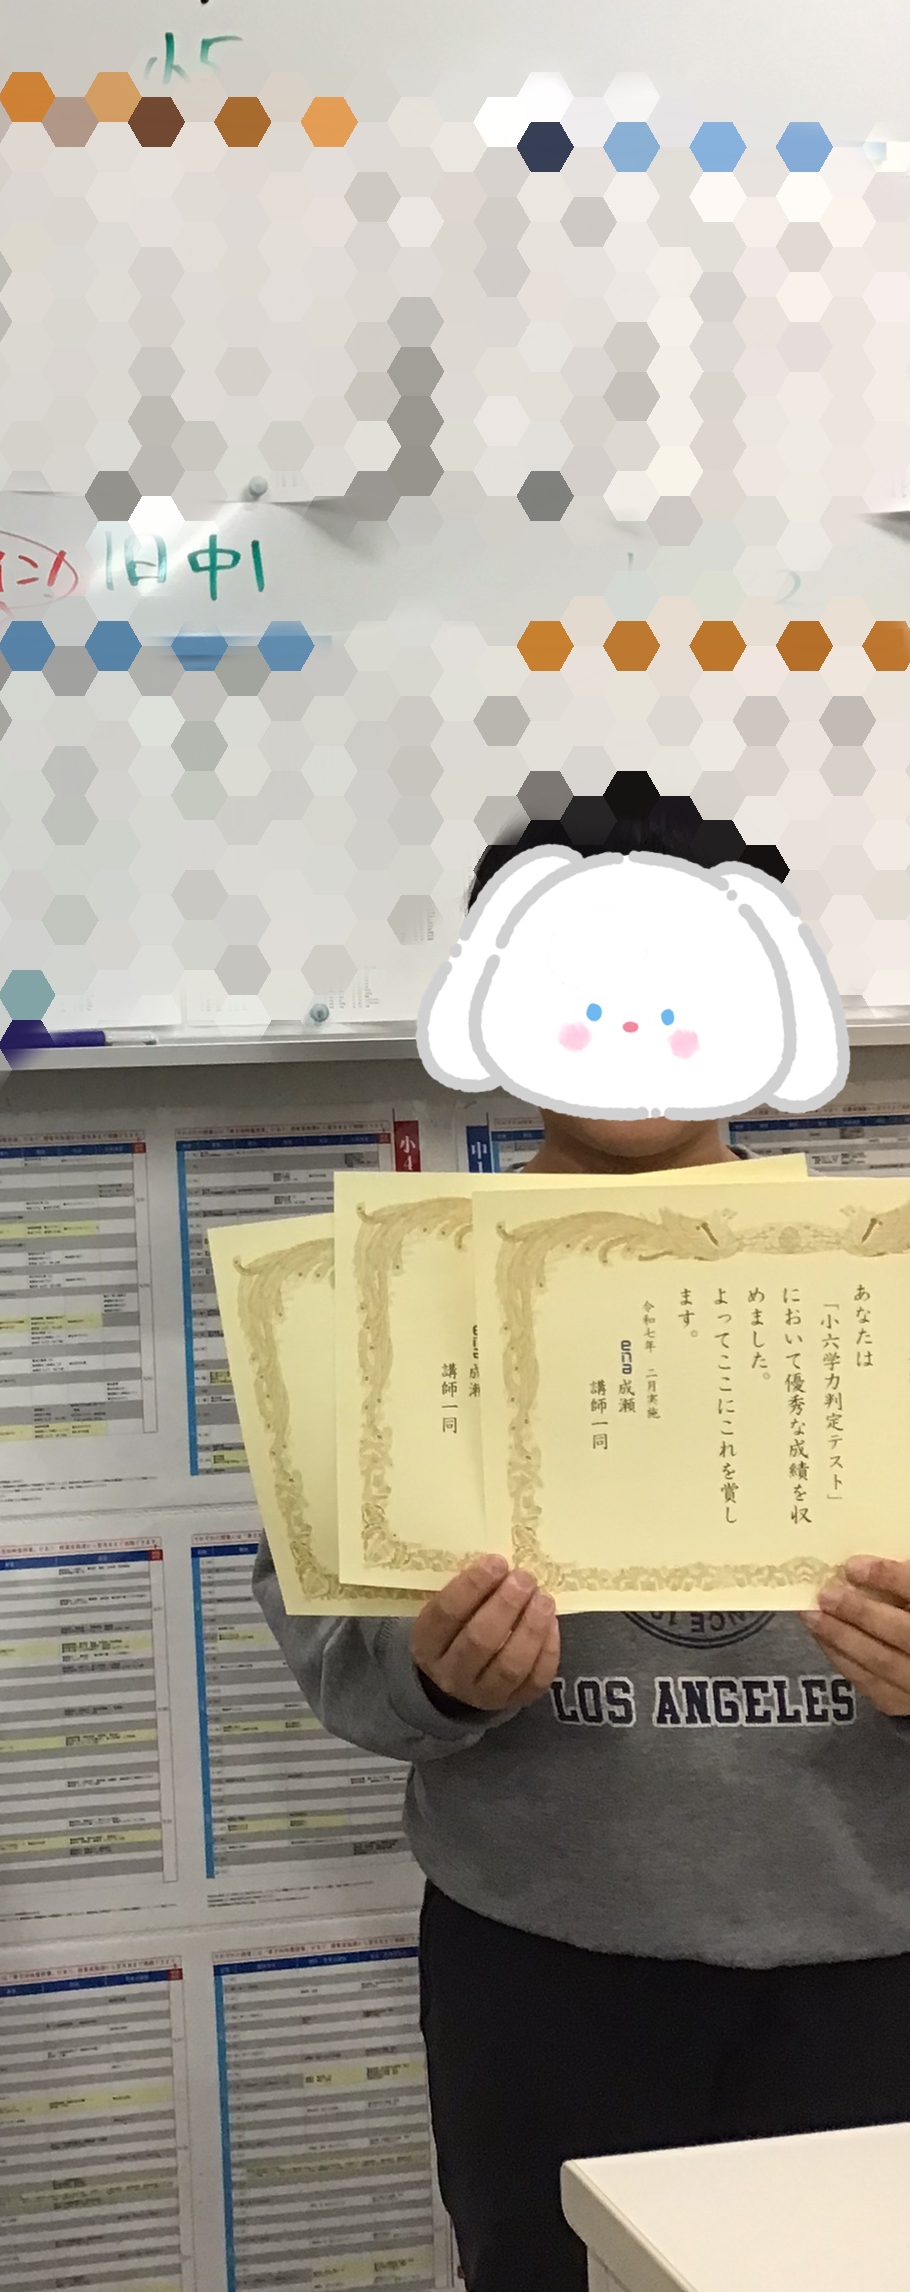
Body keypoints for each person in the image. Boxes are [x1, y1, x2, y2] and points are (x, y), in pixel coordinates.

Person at [256, 790, 910, 2292]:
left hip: (874, 1948)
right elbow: (336, 1657)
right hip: (544, 1959)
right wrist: (436, 1676)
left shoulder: (880, 1279)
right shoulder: (393, 1296)